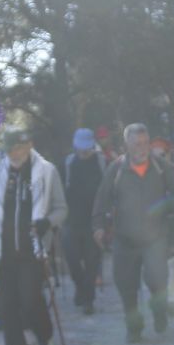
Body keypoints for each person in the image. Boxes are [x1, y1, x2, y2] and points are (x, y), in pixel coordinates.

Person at [0, 126, 67, 345]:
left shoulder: (47, 172)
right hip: (1, 251)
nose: (14, 153)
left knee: (30, 299)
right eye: (10, 149)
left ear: (29, 145)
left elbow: (61, 209)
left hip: (32, 249)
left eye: (18, 147)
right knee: (7, 305)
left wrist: (47, 222)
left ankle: (44, 335)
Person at [92, 123, 174, 343]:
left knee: (157, 281)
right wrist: (98, 227)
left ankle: (159, 312)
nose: (142, 148)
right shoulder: (116, 170)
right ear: (127, 145)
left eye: (145, 143)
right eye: (136, 144)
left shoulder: (162, 167)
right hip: (125, 239)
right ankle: (134, 327)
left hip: (156, 238)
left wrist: (169, 216)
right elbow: (101, 200)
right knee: (126, 286)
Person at [62, 127, 106, 314]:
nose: (84, 151)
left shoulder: (101, 161)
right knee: (72, 260)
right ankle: (80, 288)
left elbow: (107, 188)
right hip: (71, 219)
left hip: (94, 220)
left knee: (92, 261)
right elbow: (63, 189)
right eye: (81, 147)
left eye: (86, 147)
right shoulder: (69, 163)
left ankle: (88, 299)